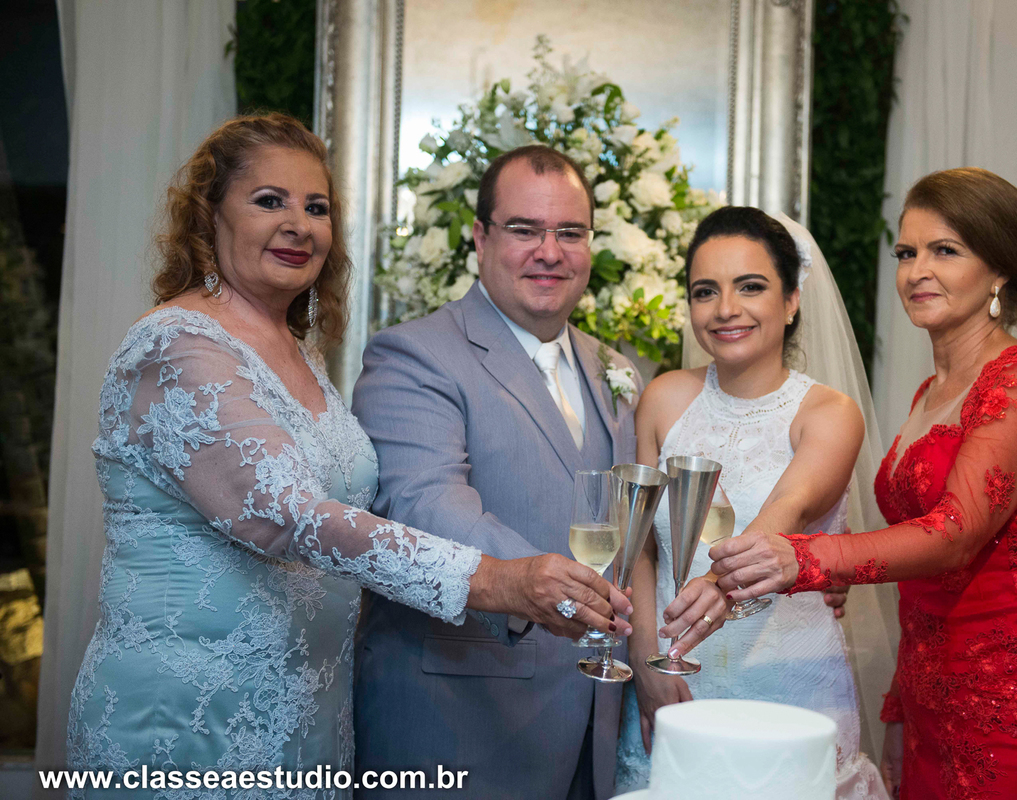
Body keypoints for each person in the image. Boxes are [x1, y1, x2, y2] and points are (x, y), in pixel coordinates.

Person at [65, 115, 626, 798]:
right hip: (193, 713)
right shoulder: (177, 344)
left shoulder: (297, 353)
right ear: (210, 216)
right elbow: (289, 516)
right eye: (270, 200)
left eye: (317, 207)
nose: (299, 223)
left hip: (309, 715)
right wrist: (503, 581)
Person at [703, 169, 1017, 798]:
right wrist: (901, 700)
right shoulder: (930, 393)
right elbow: (925, 575)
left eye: (944, 251)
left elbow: (954, 536)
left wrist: (808, 559)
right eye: (906, 252)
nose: (917, 270)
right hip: (934, 689)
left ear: (999, 271)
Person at [351, 145, 649, 799]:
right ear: (481, 238)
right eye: (525, 230)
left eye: (569, 232)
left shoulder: (617, 368)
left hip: (593, 721)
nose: (550, 251)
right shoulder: (414, 354)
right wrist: (552, 587)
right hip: (462, 722)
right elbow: (425, 505)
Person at [614, 207, 891, 797]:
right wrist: (645, 661)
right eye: (705, 291)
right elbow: (638, 545)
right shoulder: (664, 399)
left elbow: (782, 515)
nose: (726, 309)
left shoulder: (828, 413)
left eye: (751, 287)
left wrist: (717, 586)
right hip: (676, 675)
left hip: (790, 682)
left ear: (791, 301)